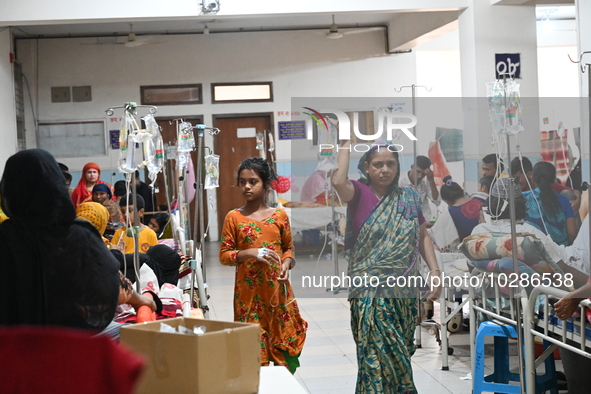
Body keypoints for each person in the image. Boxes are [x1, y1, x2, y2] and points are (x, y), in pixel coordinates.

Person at [331, 141, 441, 393]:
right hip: (369, 290)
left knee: (397, 350)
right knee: (377, 351)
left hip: (403, 291)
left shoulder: (409, 197)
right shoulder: (357, 192)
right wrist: (347, 143)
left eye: (390, 164)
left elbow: (422, 235)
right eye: (378, 164)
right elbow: (338, 181)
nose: (385, 170)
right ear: (367, 167)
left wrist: (435, 271)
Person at [0, 149, 120, 330]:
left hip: (11, 347)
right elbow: (106, 290)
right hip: (71, 342)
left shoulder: (5, 237)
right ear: (55, 184)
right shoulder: (80, 235)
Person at [219, 157, 307, 374]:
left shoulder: (280, 215)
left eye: (253, 181)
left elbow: (289, 249)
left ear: (266, 184)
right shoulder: (234, 218)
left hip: (277, 292)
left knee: (281, 343)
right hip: (249, 295)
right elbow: (224, 255)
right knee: (252, 348)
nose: (247, 186)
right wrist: (249, 253)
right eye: (242, 182)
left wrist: (287, 263)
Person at [523, 161, 575, 246]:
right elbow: (572, 234)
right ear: (554, 179)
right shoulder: (564, 200)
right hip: (561, 252)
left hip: (533, 253)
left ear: (532, 178)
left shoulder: (523, 198)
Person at [431, 176, 485, 249]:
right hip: (490, 243)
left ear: (446, 201)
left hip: (471, 250)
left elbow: (435, 235)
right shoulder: (481, 200)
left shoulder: (449, 213)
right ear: (462, 192)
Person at [398, 155, 441, 222]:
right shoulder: (400, 184)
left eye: (423, 174)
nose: (420, 176)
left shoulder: (425, 183)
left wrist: (431, 180)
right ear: (412, 167)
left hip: (425, 222)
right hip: (406, 223)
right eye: (418, 171)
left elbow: (437, 201)